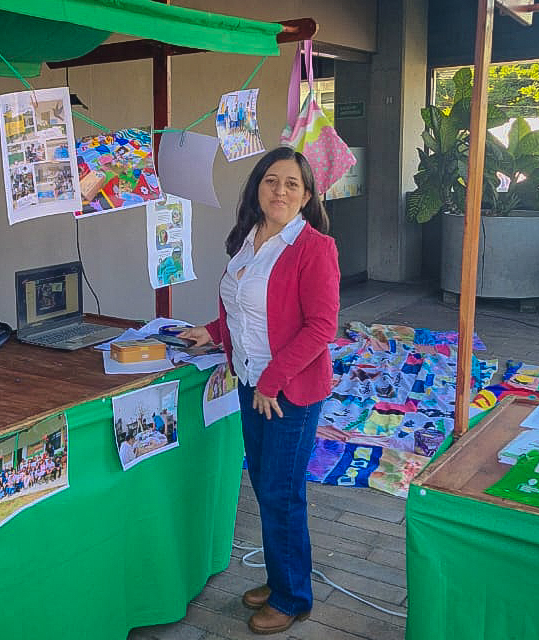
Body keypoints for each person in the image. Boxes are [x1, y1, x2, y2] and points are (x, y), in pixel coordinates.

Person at [179, 147, 340, 635]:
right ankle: (281, 580)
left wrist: (272, 381)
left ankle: (292, 599)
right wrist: (213, 332)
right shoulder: (248, 240)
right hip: (251, 383)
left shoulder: (315, 248)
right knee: (268, 488)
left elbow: (320, 328)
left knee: (281, 493)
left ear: (306, 196)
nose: (280, 191)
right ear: (257, 188)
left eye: (292, 184)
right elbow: (245, 309)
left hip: (287, 391)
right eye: (271, 181)